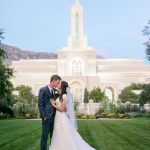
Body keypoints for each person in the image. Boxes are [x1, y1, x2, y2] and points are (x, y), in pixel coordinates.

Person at [49, 81, 96, 150]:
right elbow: (65, 109)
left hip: (61, 117)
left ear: (62, 86)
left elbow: (62, 109)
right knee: (59, 132)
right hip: (58, 116)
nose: (58, 84)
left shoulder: (64, 96)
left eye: (59, 83)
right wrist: (56, 104)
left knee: (62, 132)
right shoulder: (60, 95)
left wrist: (54, 105)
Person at [38, 75, 61, 150]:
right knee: (45, 136)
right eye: (58, 82)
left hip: (55, 117)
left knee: (53, 136)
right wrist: (44, 116)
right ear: (53, 81)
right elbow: (40, 104)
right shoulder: (43, 90)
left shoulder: (56, 91)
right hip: (47, 117)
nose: (58, 84)